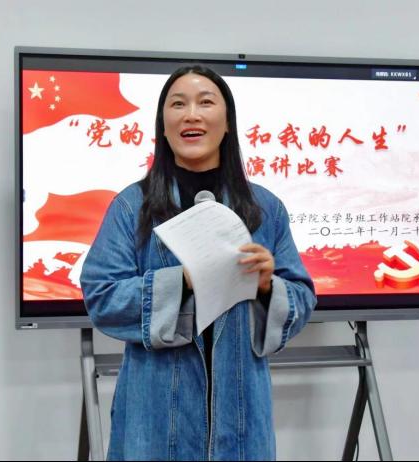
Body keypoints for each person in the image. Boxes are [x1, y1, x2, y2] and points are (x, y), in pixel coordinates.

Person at [80, 65, 317, 461]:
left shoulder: (265, 209)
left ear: (227, 123)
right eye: (178, 105)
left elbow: (302, 297)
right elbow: (102, 296)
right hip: (155, 416)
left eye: (205, 103)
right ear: (163, 125)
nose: (191, 115)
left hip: (242, 416)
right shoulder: (131, 206)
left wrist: (267, 287)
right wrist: (184, 281)